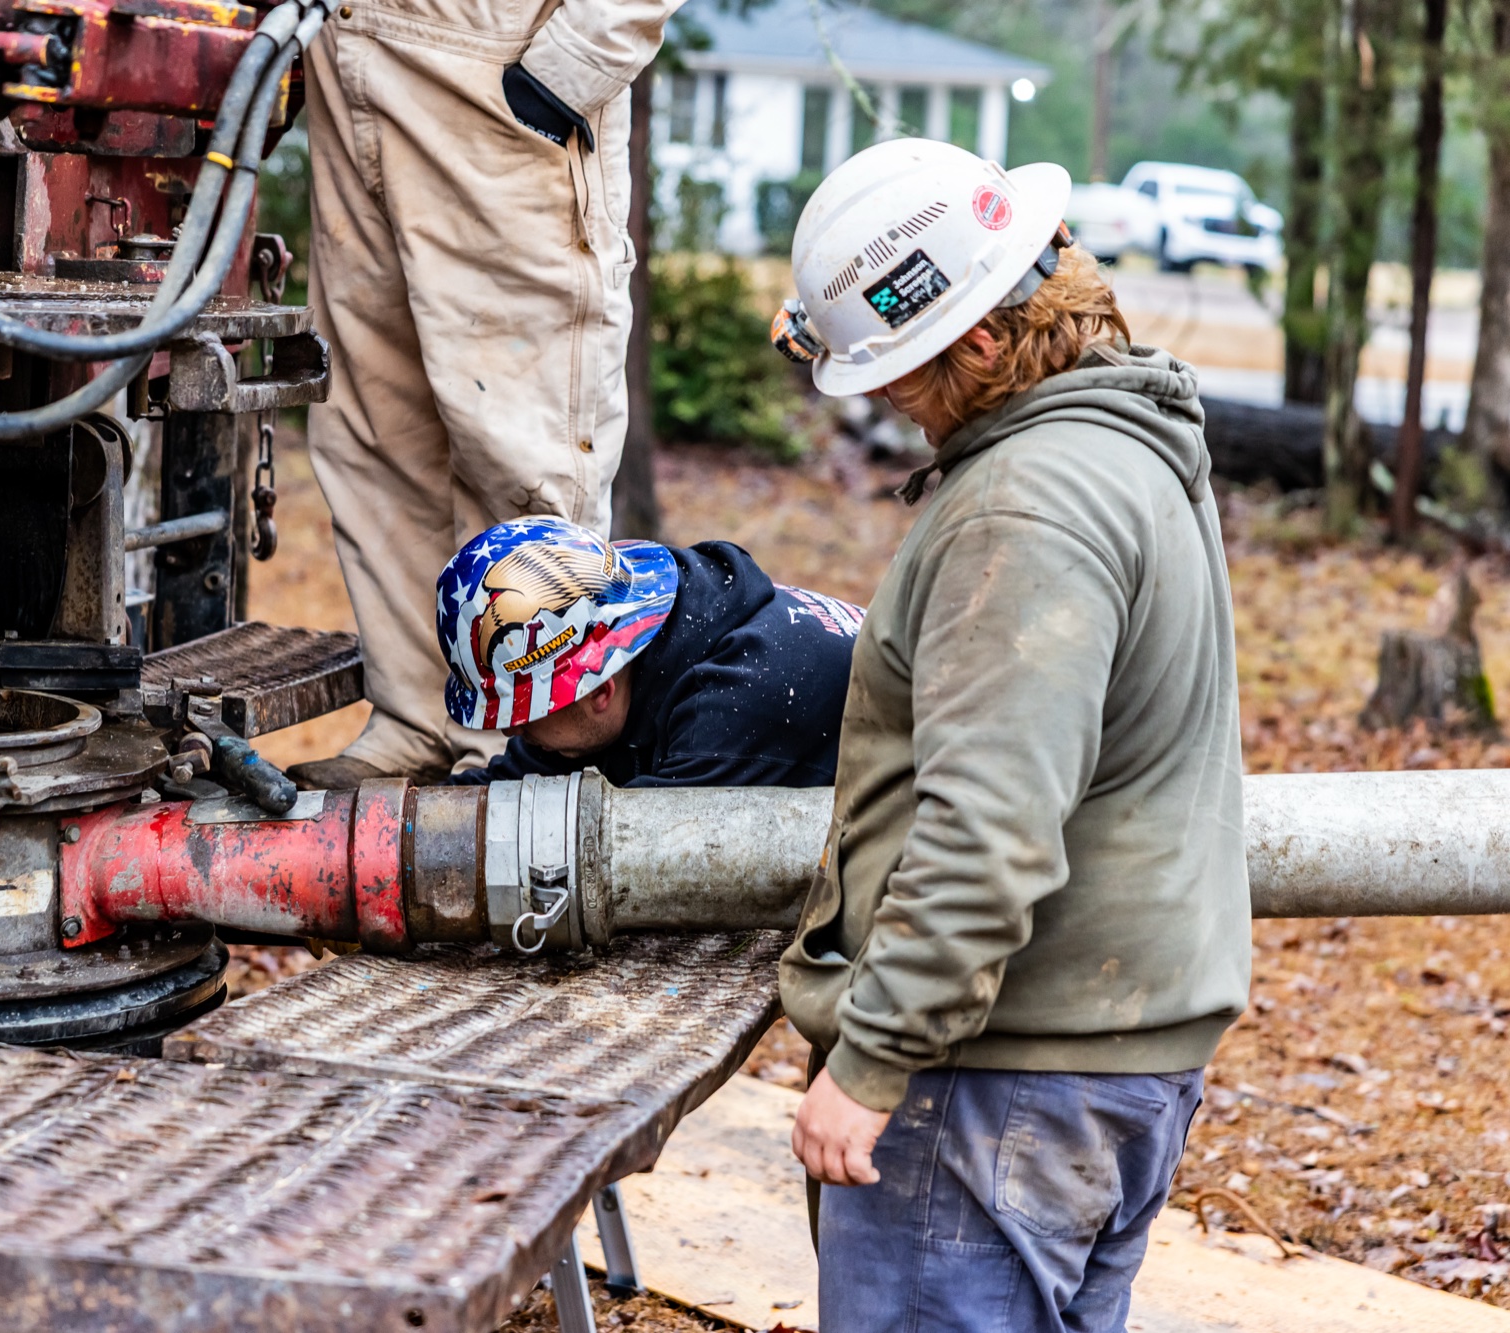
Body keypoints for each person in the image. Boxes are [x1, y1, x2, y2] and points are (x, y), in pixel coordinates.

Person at [773, 138, 1249, 1332]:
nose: (890, 405)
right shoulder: (1124, 447)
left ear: (980, 343)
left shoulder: (1021, 507)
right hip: (1105, 1062)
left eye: (898, 377)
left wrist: (871, 1060)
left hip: (996, 1080)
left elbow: (988, 826)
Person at [284, 0, 687, 792]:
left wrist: (567, 69)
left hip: (496, 71)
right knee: (374, 431)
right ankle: (414, 716)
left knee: (519, 443)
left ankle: (523, 745)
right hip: (350, 52)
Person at [438, 516, 862, 789]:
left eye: (525, 712)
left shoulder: (727, 712)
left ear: (598, 690)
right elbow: (505, 787)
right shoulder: (643, 645)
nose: (511, 731)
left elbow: (631, 864)